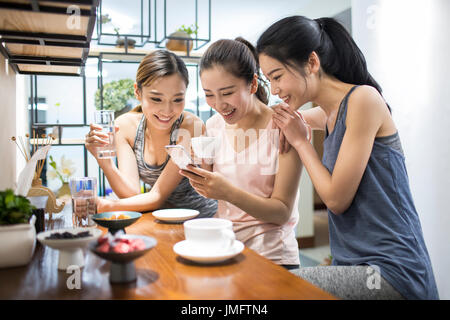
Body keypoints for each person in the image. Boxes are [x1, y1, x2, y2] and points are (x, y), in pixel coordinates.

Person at [256, 16, 439, 300]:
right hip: (353, 265)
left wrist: (301, 141)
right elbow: (283, 119)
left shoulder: (364, 100)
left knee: (278, 288)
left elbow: (336, 200)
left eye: (277, 76)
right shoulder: (331, 112)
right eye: (269, 80)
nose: (275, 89)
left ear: (312, 63)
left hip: (390, 271)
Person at [179, 38, 302, 272]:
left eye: (227, 93)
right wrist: (196, 170)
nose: (219, 104)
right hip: (224, 248)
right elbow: (212, 186)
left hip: (273, 258)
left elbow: (282, 212)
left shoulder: (282, 128)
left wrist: (227, 191)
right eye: (209, 94)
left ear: (253, 84)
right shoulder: (214, 125)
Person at [85, 50, 217, 217]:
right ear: (138, 92)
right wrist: (104, 161)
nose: (167, 111)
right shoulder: (124, 126)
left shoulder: (190, 126)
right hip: (159, 221)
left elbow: (157, 196)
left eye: (177, 99)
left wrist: (105, 205)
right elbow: (131, 194)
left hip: (201, 219)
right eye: (156, 99)